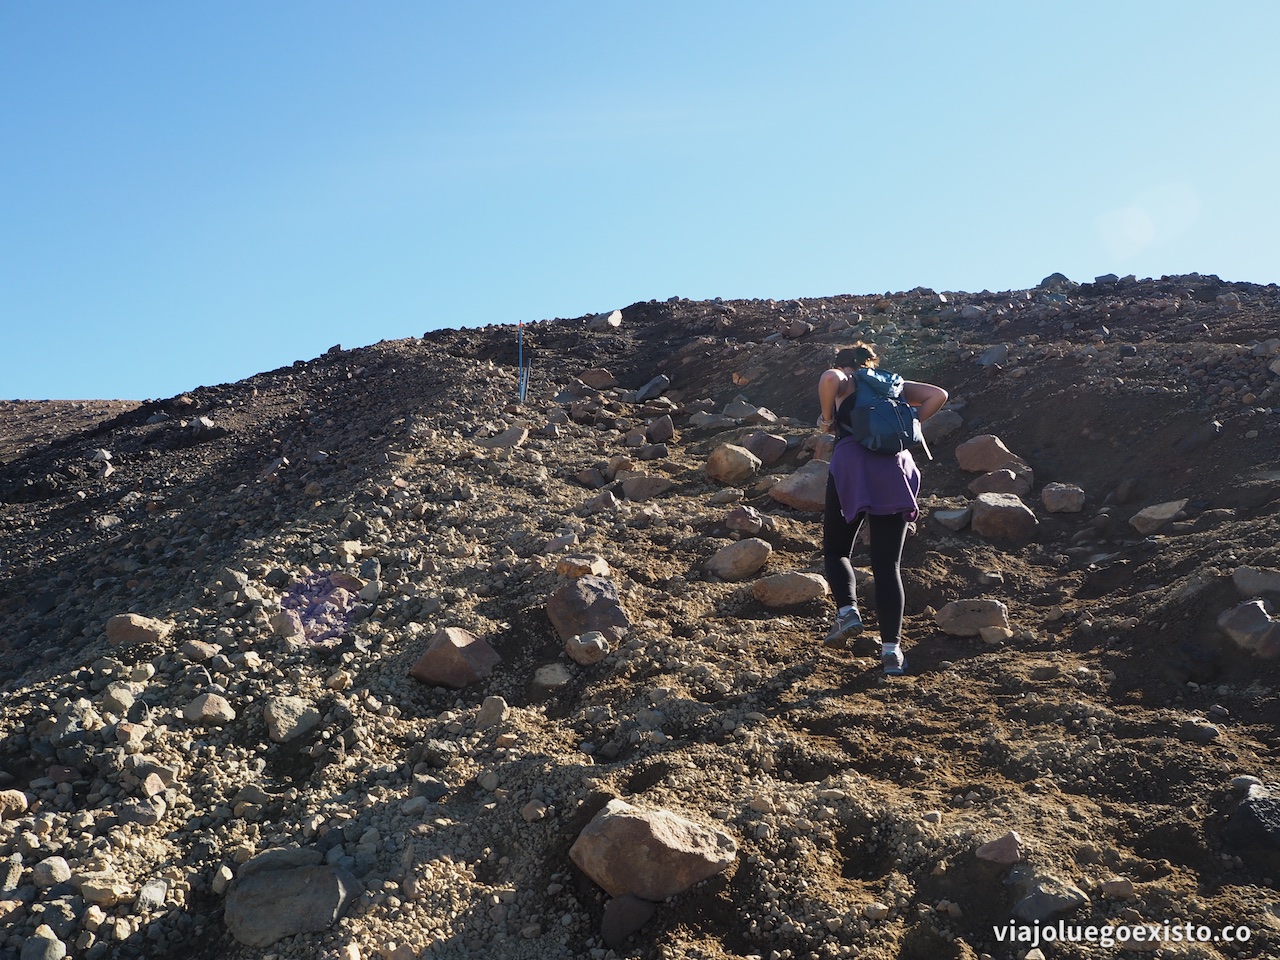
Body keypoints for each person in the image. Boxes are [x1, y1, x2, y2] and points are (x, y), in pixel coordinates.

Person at [816, 343, 948, 675]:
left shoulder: (846, 379)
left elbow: (829, 378)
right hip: (896, 468)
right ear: (872, 363)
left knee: (836, 550)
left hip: (854, 467)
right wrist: (911, 421)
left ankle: (848, 612)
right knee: (888, 564)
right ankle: (892, 653)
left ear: (844, 364)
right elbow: (938, 395)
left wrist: (827, 419)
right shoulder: (893, 384)